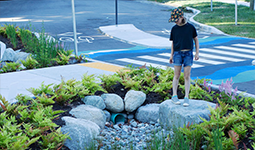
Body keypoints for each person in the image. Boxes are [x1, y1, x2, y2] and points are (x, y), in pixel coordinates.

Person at [169, 8, 199, 107]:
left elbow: (196, 39)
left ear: (181, 17)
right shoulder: (174, 29)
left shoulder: (190, 27)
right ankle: (174, 95)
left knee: (187, 75)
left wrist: (197, 52)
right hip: (177, 53)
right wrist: (171, 55)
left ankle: (186, 97)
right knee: (176, 75)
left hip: (188, 54)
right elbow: (173, 42)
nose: (175, 22)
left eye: (176, 19)